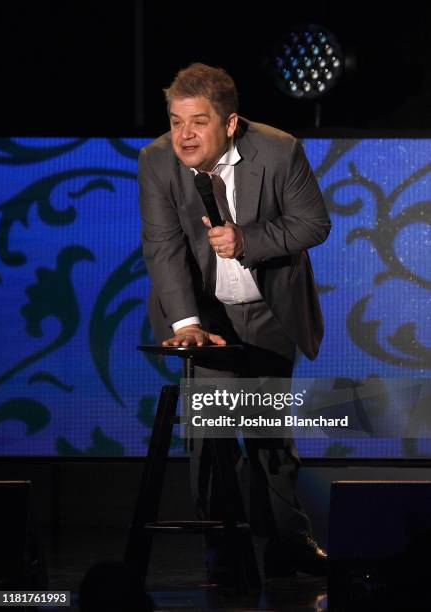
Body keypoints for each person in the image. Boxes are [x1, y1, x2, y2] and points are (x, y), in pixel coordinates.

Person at [138, 63, 331, 584]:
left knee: (269, 438)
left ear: (229, 123)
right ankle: (223, 548)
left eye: (198, 121)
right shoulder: (156, 160)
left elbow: (314, 223)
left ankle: (287, 545)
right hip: (208, 315)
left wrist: (248, 241)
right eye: (176, 121)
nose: (184, 135)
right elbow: (163, 247)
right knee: (212, 440)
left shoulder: (279, 150)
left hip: (269, 310)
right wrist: (187, 322)